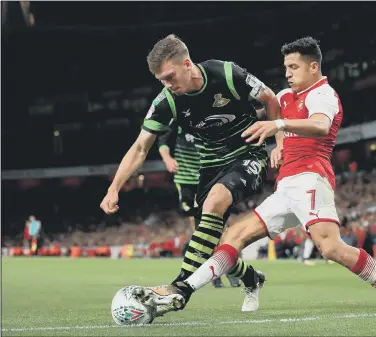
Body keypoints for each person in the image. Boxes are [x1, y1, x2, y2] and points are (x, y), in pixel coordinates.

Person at [136, 37, 376, 320]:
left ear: (313, 67)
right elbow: (257, 114)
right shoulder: (285, 97)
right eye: (286, 67)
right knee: (233, 236)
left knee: (331, 248)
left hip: (311, 178)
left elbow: (321, 125)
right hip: (285, 187)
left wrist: (279, 125)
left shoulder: (323, 95)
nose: (287, 73)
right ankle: (183, 291)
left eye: (294, 67)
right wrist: (269, 136)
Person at [100, 34, 282, 313]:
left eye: (170, 77)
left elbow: (269, 98)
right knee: (210, 243)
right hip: (209, 167)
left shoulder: (228, 74)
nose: (167, 85)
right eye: (161, 80)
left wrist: (278, 143)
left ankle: (179, 287)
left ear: (187, 64)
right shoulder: (166, 102)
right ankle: (251, 278)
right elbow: (139, 148)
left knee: (214, 203)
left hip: (247, 155)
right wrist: (114, 188)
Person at [158, 122, 241, 288]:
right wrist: (167, 159)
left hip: (210, 177)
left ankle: (230, 267)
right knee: (201, 232)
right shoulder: (178, 118)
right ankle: (215, 274)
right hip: (186, 180)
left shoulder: (212, 118)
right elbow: (163, 141)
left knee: (220, 228)